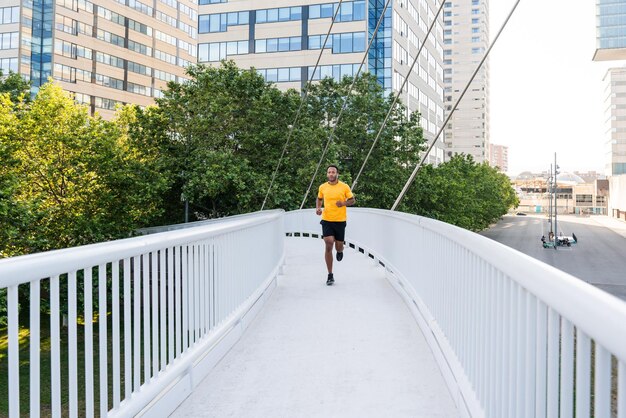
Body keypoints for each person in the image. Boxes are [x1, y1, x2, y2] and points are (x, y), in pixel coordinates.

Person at [316, 165, 355, 286]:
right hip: (327, 219)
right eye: (329, 172)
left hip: (340, 221)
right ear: (327, 174)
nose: (331, 174)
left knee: (338, 246)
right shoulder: (322, 187)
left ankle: (340, 250)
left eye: (333, 172)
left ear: (337, 174)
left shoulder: (344, 186)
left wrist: (343, 203)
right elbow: (319, 198)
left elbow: (352, 200)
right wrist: (318, 208)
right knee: (328, 243)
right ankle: (330, 275)